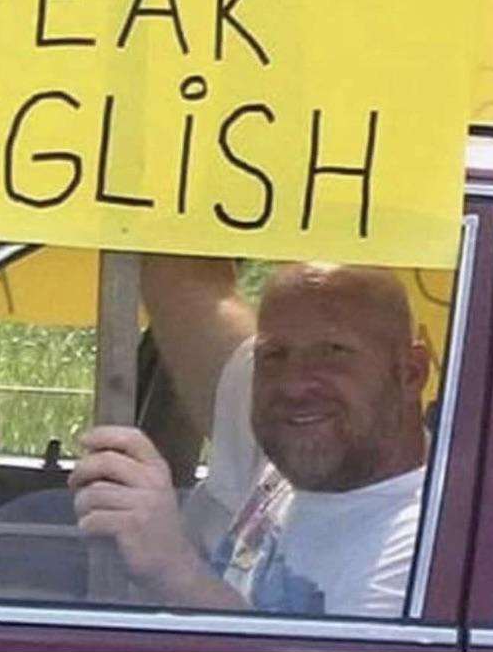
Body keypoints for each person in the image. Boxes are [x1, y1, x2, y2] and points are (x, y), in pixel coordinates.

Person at [69, 255, 430, 616]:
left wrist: (174, 569)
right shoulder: (284, 451)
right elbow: (183, 284)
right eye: (274, 355)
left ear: (411, 373)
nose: (293, 384)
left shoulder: (422, 548)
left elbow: (330, 646)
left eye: (334, 352)